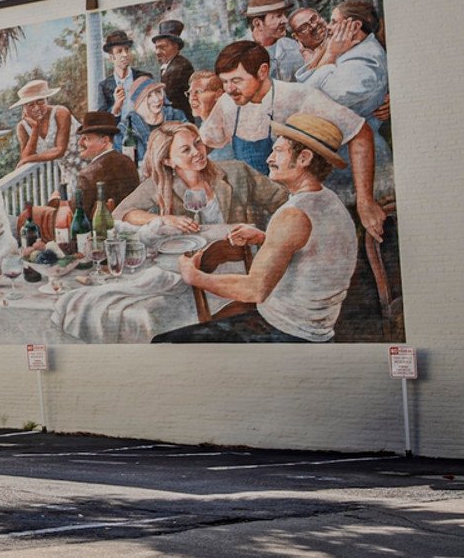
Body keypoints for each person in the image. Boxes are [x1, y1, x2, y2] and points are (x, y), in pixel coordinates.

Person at [160, 115, 359, 342]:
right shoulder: (329, 201)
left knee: (164, 342)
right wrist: (267, 238)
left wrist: (194, 276)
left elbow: (254, 290)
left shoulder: (292, 214)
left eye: (278, 151)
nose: (269, 158)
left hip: (285, 334)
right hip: (316, 331)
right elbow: (312, 250)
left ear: (304, 158)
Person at [210, 40, 385, 241]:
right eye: (224, 82)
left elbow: (360, 132)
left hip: (304, 210)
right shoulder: (227, 103)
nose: (229, 89)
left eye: (236, 80)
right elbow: (204, 142)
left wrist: (365, 201)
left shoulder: (300, 96)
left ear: (262, 71)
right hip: (258, 215)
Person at [116, 121, 280, 234]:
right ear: (168, 161)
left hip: (238, 257)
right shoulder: (160, 184)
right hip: (190, 261)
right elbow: (120, 213)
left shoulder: (237, 171)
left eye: (198, 143)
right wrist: (164, 219)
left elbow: (282, 200)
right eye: (186, 150)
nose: (197, 152)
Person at [303, 0, 390, 121]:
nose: (328, 26)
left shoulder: (366, 61)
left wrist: (330, 54)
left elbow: (312, 98)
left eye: (334, 22)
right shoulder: (350, 48)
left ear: (355, 26)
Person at [96, 30, 163, 159]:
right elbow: (103, 121)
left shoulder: (144, 77)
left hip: (145, 135)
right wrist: (116, 107)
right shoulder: (105, 86)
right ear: (111, 58)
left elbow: (158, 107)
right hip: (120, 140)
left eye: (127, 50)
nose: (125, 54)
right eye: (119, 51)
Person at [68, 111, 139, 232]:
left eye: (87, 138)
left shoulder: (88, 175)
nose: (80, 143)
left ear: (105, 141)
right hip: (130, 229)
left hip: (100, 234)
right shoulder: (128, 162)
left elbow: (78, 215)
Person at [243, 0, 309, 84]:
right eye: (278, 16)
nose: (285, 20)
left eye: (284, 15)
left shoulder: (293, 46)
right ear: (258, 23)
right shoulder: (239, 53)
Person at [12, 78, 74, 167]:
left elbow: (60, 150)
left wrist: (28, 159)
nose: (36, 108)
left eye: (40, 101)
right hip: (60, 170)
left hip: (80, 163)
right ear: (24, 107)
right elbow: (25, 156)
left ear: (47, 100)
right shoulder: (22, 126)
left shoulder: (61, 112)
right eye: (30, 104)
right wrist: (35, 128)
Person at [151, 19, 195, 118]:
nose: (157, 52)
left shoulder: (179, 67)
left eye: (162, 47)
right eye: (156, 48)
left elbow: (168, 97)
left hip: (180, 119)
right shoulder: (168, 65)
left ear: (175, 46)